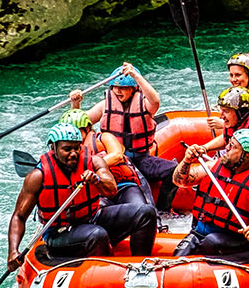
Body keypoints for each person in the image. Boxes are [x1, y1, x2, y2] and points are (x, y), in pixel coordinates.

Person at [7, 123, 157, 266]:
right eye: (67, 149)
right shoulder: (37, 177)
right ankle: (105, 272)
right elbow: (19, 216)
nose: (73, 154)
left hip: (92, 218)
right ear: (53, 148)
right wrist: (13, 251)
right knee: (97, 234)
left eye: (76, 148)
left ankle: (141, 265)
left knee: (145, 212)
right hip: (59, 233)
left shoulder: (94, 162)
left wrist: (96, 180)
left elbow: (112, 191)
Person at [171, 129, 249, 258]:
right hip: (200, 232)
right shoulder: (214, 165)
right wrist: (187, 160)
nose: (226, 147)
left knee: (211, 242)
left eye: (233, 146)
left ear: (247, 156)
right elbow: (180, 181)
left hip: (236, 238)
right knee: (179, 254)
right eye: (229, 143)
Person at [71, 62, 178, 210]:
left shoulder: (146, 104)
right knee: (139, 184)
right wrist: (76, 104)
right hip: (115, 160)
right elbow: (79, 123)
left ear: (134, 88)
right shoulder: (105, 105)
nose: (117, 91)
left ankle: (163, 209)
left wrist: (135, 75)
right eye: (115, 87)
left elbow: (156, 100)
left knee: (173, 169)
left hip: (140, 158)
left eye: (123, 88)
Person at [62, 108, 153, 212]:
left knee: (142, 209)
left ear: (87, 128)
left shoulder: (103, 137)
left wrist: (93, 167)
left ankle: (157, 224)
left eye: (77, 131)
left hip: (124, 186)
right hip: (100, 192)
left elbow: (117, 155)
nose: (73, 135)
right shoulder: (71, 153)